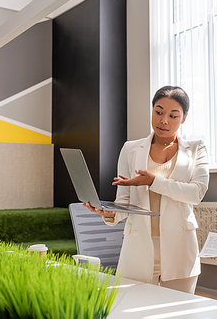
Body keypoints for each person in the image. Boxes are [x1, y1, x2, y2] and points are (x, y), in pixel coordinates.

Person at [83, 86, 209, 294]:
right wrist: (111, 213)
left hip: (179, 248)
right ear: (151, 111)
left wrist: (153, 182)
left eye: (173, 115)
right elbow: (125, 201)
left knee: (177, 313)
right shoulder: (130, 149)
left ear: (184, 118)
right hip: (139, 245)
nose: (164, 120)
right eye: (158, 112)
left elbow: (196, 194)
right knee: (132, 310)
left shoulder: (196, 149)